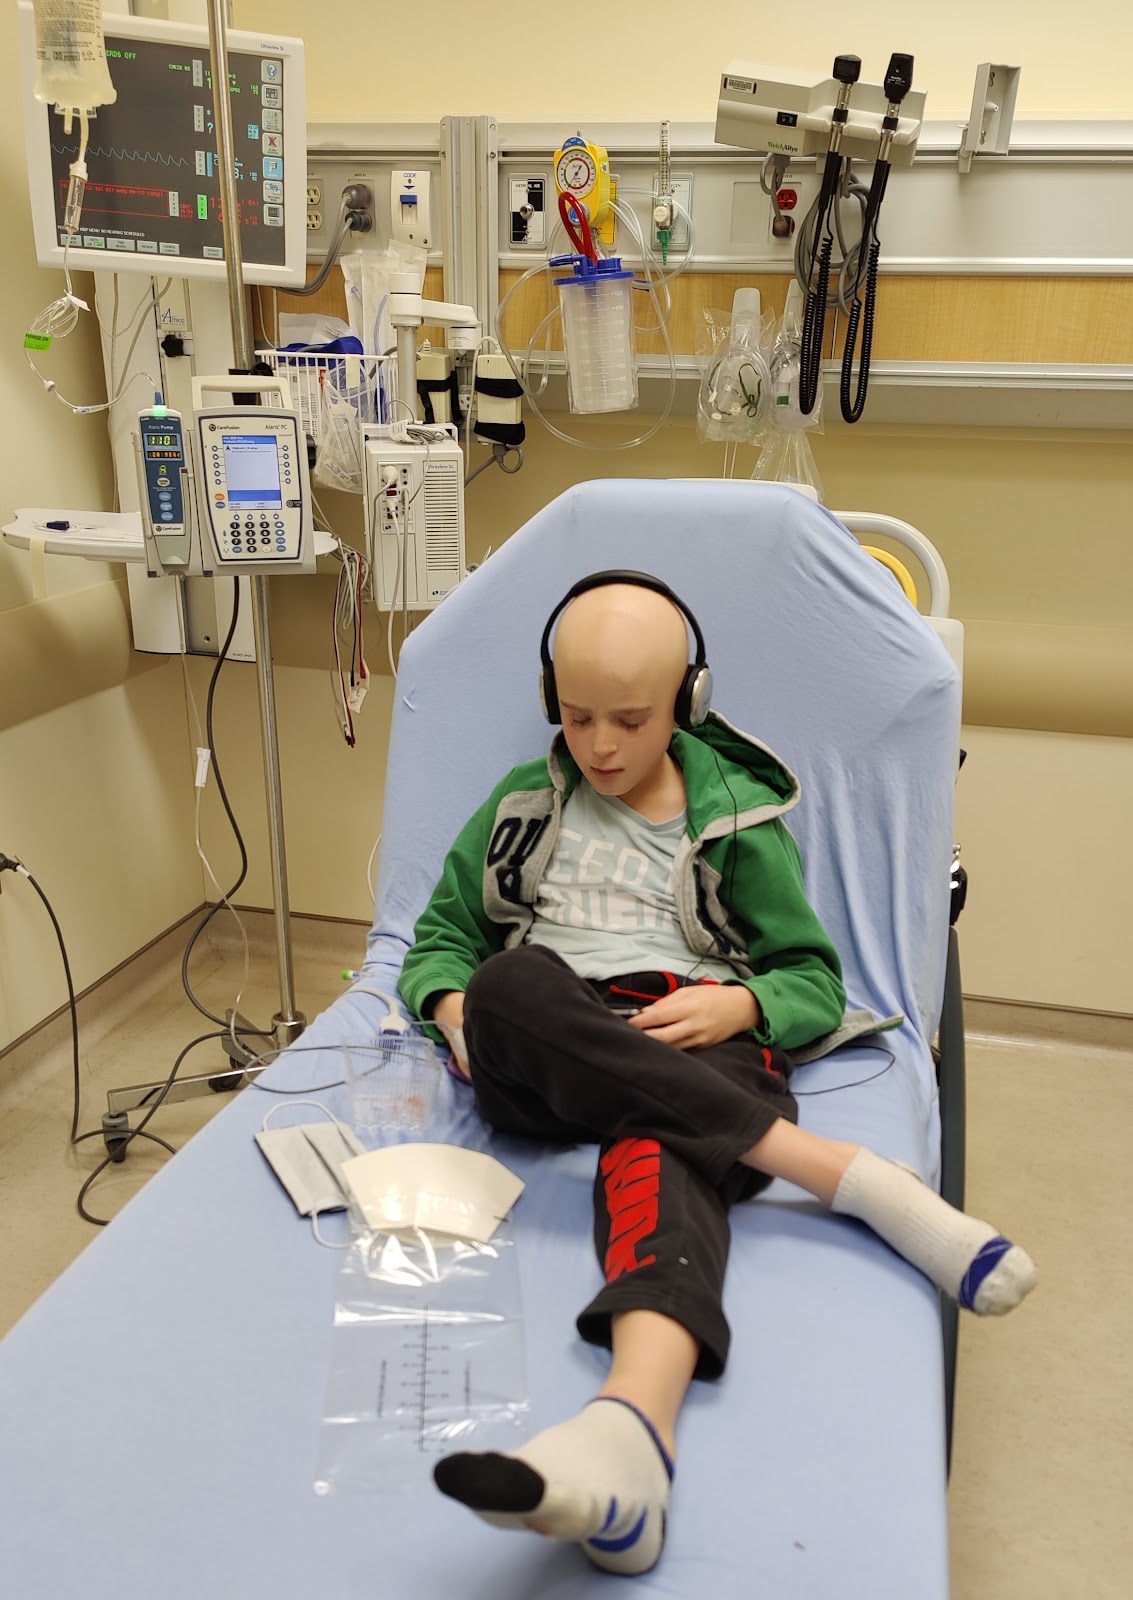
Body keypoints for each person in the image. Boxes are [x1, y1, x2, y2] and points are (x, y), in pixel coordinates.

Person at [398, 570, 1036, 1577]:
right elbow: (440, 940)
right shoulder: (519, 807)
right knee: (507, 984)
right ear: (548, 700)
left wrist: (739, 1006)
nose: (600, 745)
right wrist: (450, 1007)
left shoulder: (737, 820)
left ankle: (629, 1442)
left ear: (687, 702)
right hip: (552, 1042)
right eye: (575, 716)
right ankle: (840, 1174)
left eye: (629, 719)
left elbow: (812, 980)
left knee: (661, 1151)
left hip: (696, 1046)